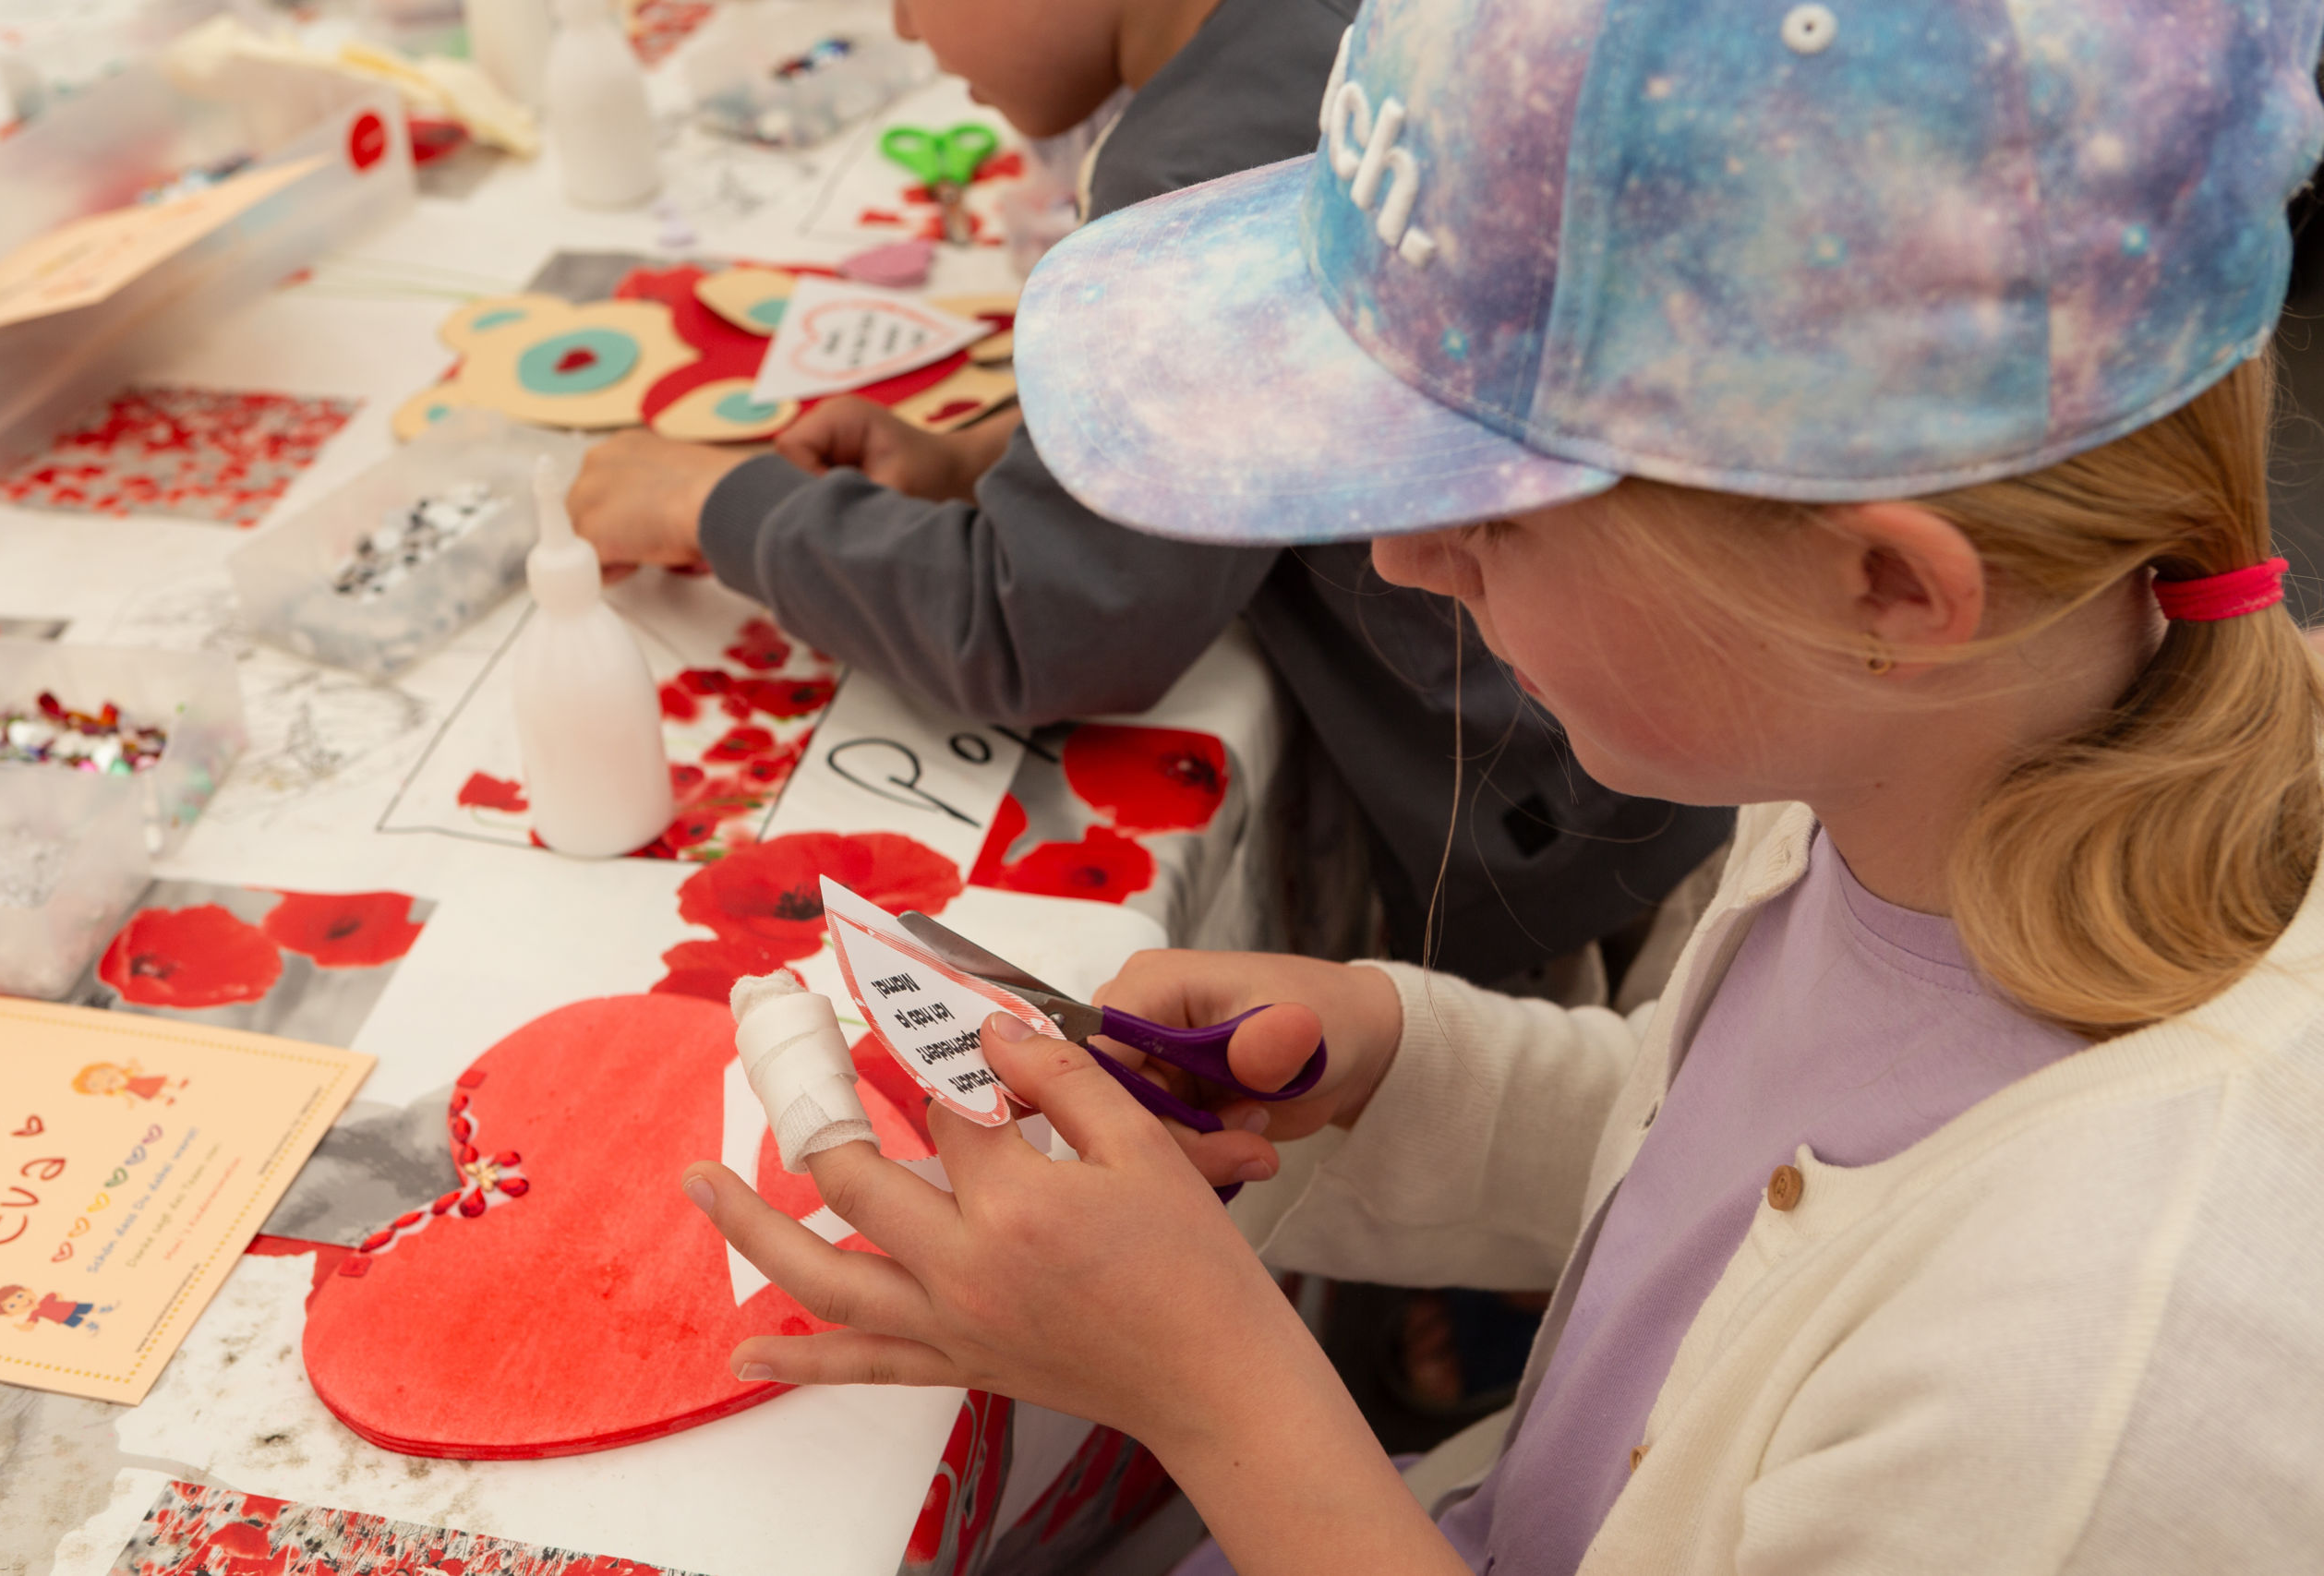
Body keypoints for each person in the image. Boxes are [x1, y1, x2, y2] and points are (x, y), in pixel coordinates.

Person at [675, 0, 2324, 1569]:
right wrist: (1408, 1068)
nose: (1396, 552)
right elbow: (1718, 1179)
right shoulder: (1914, 778)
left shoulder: (2103, 1389)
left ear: (1889, 587)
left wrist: (1215, 1392)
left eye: (1487, 507)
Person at [567, 0, 1731, 992]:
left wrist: (715, 505)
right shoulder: (1327, 38)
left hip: (1561, 819)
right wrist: (995, 454)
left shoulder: (1196, 168)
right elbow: (1290, 386)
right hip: (1655, 725)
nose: (902, 26)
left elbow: (1039, 622)